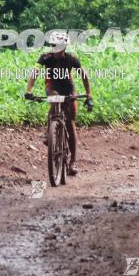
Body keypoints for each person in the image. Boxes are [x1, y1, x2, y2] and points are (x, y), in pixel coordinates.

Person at [25, 31, 93, 175]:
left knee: (70, 123)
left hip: (68, 87)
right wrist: (29, 90)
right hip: (52, 86)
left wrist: (89, 95)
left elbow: (83, 75)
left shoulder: (71, 59)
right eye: (53, 45)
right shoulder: (45, 57)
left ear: (64, 47)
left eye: (59, 46)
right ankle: (49, 131)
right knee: (54, 100)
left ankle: (73, 161)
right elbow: (34, 73)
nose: (56, 48)